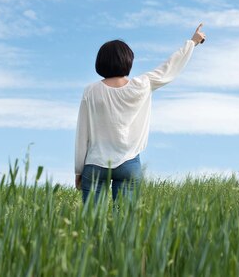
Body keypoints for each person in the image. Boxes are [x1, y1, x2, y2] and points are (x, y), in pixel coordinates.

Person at [75, 24, 206, 203]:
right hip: (128, 162)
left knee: (91, 221)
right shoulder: (142, 85)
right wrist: (192, 42)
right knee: (125, 222)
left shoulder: (90, 91)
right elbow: (170, 67)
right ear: (128, 61)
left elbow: (82, 133)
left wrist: (78, 170)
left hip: (95, 163)